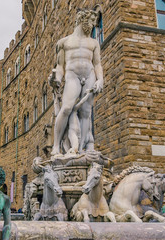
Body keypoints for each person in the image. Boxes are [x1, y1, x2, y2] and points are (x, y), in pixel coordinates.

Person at [50, 9, 104, 156]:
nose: (93, 25)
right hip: (72, 76)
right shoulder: (64, 42)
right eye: (91, 22)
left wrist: (100, 80)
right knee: (67, 108)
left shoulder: (93, 43)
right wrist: (57, 80)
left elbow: (97, 64)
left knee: (86, 112)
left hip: (90, 74)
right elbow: (60, 66)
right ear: (82, 21)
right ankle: (56, 146)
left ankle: (80, 149)